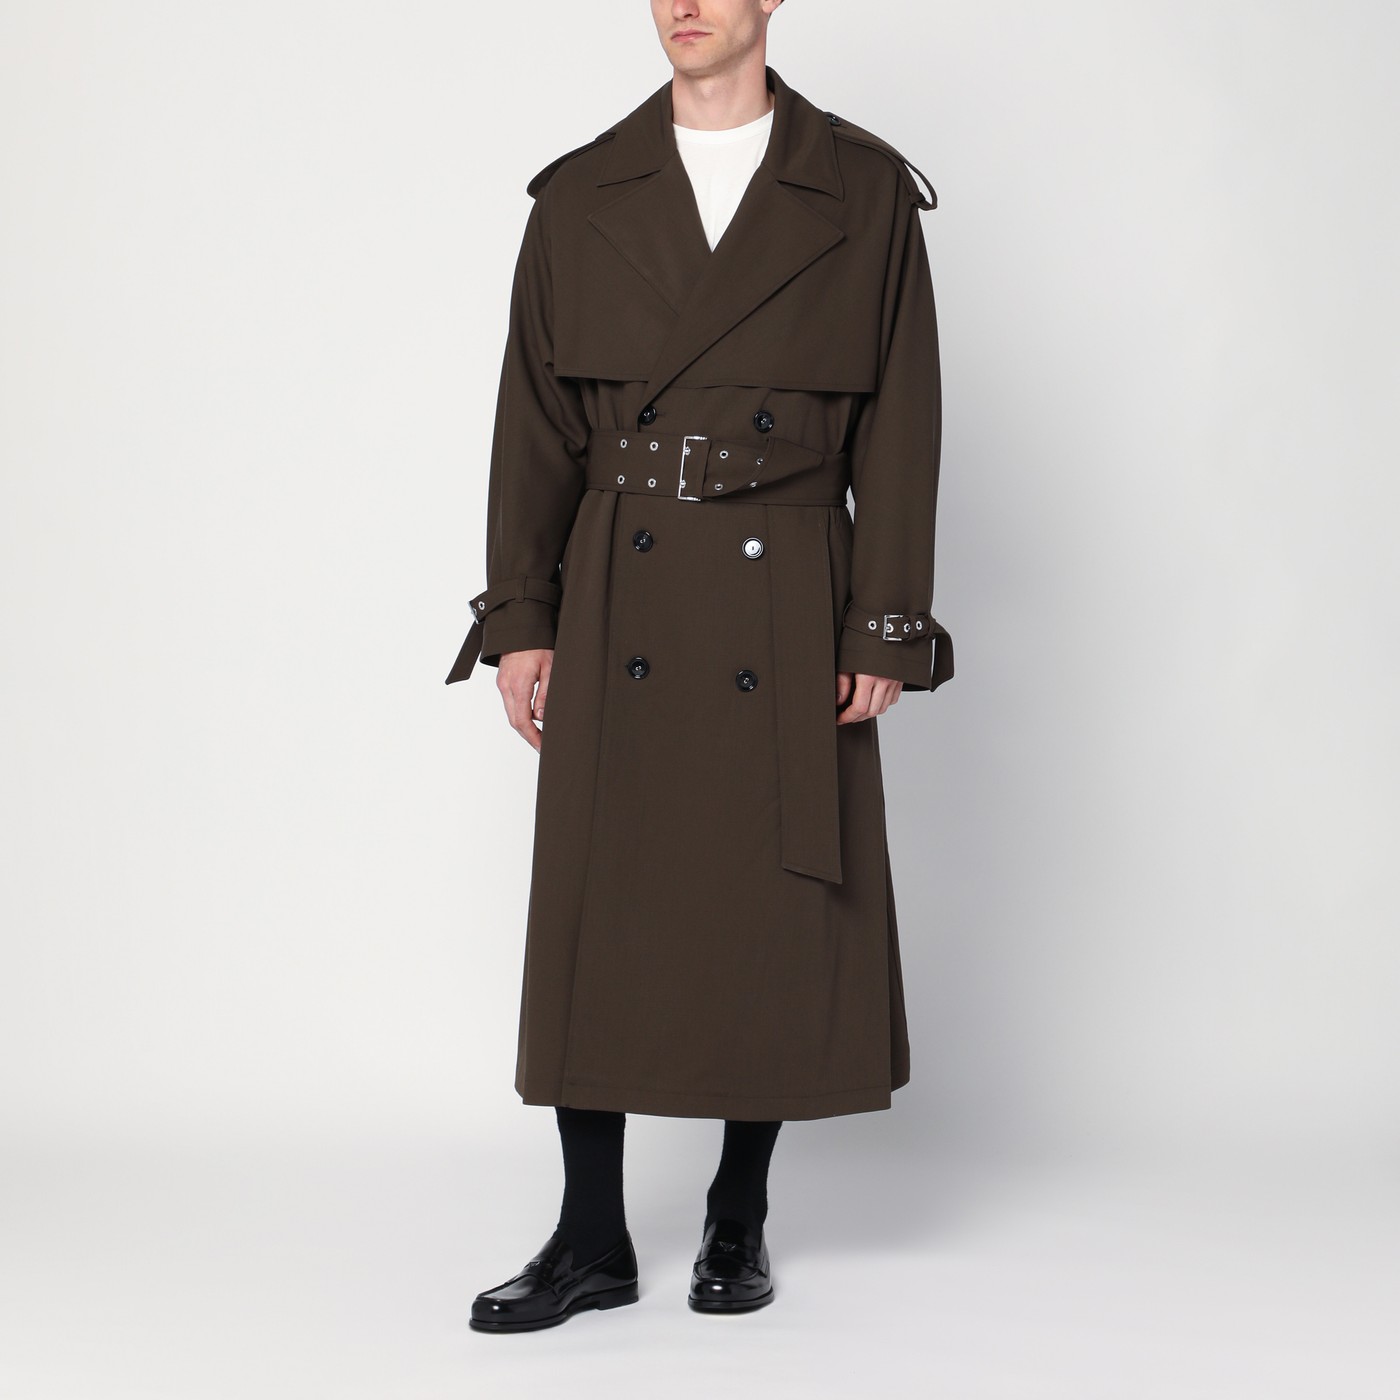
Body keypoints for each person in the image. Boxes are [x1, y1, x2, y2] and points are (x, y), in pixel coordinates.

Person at [447, 0, 953, 1332]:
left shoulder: (859, 192)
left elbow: (903, 419)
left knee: (767, 897)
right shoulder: (581, 193)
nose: (684, 4)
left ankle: (739, 1212)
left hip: (785, 589)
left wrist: (883, 621)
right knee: (599, 900)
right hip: (622, 587)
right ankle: (590, 1236)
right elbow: (534, 424)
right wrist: (523, 615)